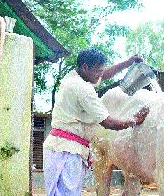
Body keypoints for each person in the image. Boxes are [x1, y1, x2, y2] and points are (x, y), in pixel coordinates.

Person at [43, 47, 150, 196]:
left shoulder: (73, 77)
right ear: (85, 67)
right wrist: (133, 121)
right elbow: (108, 123)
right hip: (68, 151)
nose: (100, 74)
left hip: (59, 148)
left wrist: (128, 62)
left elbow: (105, 74)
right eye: (98, 71)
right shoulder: (83, 90)